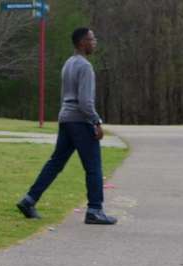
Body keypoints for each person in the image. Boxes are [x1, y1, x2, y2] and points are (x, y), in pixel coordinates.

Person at [16, 27, 116, 225]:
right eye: (91, 39)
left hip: (66, 119)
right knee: (94, 167)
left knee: (56, 163)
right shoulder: (85, 66)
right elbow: (86, 102)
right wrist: (97, 122)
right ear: (81, 43)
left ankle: (29, 200)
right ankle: (95, 210)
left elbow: (66, 97)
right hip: (80, 121)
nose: (94, 42)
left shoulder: (68, 64)